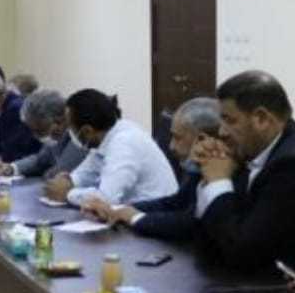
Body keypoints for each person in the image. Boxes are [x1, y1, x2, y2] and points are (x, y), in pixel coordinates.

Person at [193, 70, 295, 271]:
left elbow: (242, 252)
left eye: (230, 120)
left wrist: (218, 182)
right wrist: (207, 172)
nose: (221, 132)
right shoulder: (253, 154)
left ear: (261, 119)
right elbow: (208, 242)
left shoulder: (288, 165)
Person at [84, 97, 220, 241]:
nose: (171, 146)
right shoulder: (196, 170)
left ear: (203, 139)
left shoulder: (227, 177)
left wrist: (135, 217)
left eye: (177, 138)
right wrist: (117, 210)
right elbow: (175, 203)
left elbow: (190, 223)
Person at [42, 90, 177, 208]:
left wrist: (67, 194)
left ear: (87, 131)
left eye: (70, 127)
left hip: (153, 217)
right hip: (132, 213)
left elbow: (106, 198)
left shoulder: (124, 142)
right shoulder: (106, 136)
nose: (69, 132)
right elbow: (89, 171)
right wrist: (69, 181)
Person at [0, 90, 88, 179]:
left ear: (58, 121)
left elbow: (60, 173)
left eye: (40, 130)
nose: (36, 136)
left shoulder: (81, 134)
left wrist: (47, 173)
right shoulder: (56, 134)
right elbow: (40, 160)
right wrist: (13, 168)